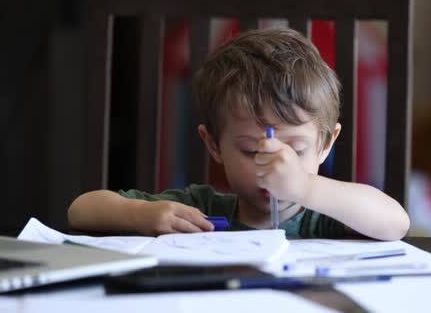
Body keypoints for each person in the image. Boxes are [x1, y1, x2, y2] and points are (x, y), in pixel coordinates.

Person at [68, 28, 409, 240]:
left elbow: (395, 223)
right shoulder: (200, 210)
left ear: (326, 144)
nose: (274, 166)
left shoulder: (323, 217)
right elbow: (81, 210)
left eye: (297, 150)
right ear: (213, 144)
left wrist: (304, 187)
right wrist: (141, 215)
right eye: (250, 151)